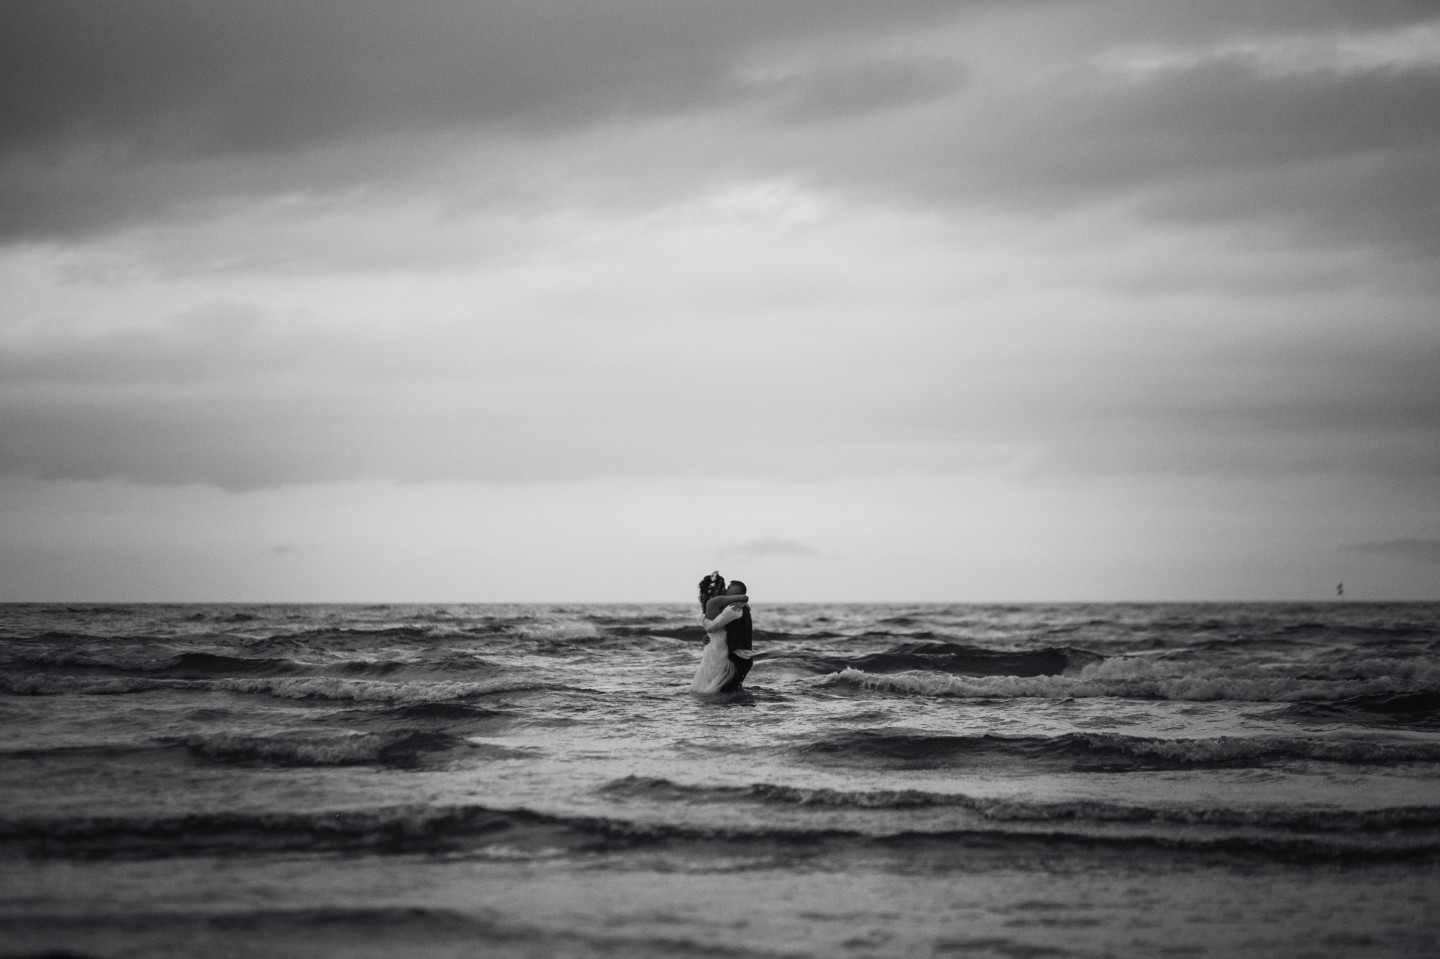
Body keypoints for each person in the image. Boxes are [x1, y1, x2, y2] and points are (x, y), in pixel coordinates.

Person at [690, 571, 755, 695]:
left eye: (729, 587)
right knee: (728, 691)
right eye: (725, 586)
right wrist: (709, 635)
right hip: (732, 654)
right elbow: (716, 627)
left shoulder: (731, 608)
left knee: (723, 690)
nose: (726, 589)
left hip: (737, 656)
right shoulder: (728, 606)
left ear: (736, 592)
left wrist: (703, 620)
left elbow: (712, 627)